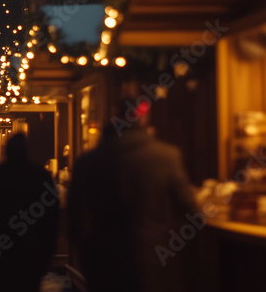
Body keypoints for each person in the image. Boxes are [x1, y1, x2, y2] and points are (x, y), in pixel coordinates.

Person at [67, 90, 200, 292]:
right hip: (153, 259)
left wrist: (88, 255)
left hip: (102, 263)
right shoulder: (166, 156)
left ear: (115, 118)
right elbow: (190, 209)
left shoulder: (88, 162)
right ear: (144, 117)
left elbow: (75, 220)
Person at [0, 133, 59, 292]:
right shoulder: (40, 178)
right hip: (29, 259)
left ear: (6, 151)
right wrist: (46, 254)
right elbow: (52, 220)